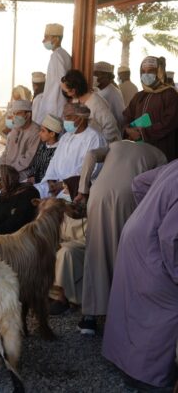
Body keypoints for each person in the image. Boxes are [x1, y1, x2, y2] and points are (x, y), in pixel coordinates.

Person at [53, 141, 167, 335]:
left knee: (95, 250)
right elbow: (158, 186)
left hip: (98, 194)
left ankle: (89, 318)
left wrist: (83, 190)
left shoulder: (116, 145)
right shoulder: (159, 154)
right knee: (125, 252)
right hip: (129, 196)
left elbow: (90, 155)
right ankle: (123, 314)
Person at [102, 159, 178, 390]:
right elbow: (170, 238)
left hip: (135, 233)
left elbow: (139, 183)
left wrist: (148, 214)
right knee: (169, 309)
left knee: (133, 302)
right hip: (154, 244)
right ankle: (149, 378)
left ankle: (123, 362)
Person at [34, 103, 107, 198]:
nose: (65, 121)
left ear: (81, 118)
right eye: (64, 117)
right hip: (55, 184)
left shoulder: (95, 138)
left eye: (68, 117)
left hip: (75, 188)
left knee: (53, 208)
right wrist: (50, 180)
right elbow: (54, 161)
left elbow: (93, 169)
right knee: (29, 194)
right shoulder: (65, 137)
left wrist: (65, 184)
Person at [123, 56, 178, 162]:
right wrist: (128, 129)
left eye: (151, 71)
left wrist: (142, 133)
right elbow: (127, 116)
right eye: (143, 72)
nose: (146, 75)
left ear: (160, 72)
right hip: (139, 151)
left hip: (162, 150)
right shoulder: (138, 96)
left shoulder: (170, 94)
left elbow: (169, 122)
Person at [61, 69, 121, 143]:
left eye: (66, 92)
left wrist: (100, 143)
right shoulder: (75, 100)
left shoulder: (96, 103)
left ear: (73, 91)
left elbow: (110, 125)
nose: (65, 94)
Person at [35, 23, 72, 126]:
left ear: (56, 39)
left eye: (46, 37)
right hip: (56, 104)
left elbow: (61, 82)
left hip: (55, 106)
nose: (43, 40)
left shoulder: (57, 56)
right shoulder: (63, 54)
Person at [0, 164, 39, 234]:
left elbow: (14, 225)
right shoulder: (0, 195)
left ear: (4, 181)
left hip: (18, 238)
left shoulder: (28, 193)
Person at [3, 100, 41, 181]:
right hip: (7, 169)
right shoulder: (15, 129)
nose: (15, 116)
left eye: (18, 113)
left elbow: (28, 160)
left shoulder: (36, 132)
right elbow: (5, 152)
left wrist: (9, 170)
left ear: (28, 115)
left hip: (23, 171)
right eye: (14, 113)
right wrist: (1, 167)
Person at [27, 114, 62, 184]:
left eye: (43, 131)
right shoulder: (42, 146)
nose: (39, 133)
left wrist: (36, 179)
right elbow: (35, 164)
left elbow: (51, 173)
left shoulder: (58, 151)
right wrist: (31, 176)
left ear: (52, 134)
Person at [93, 62, 126, 128]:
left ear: (106, 76)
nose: (94, 77)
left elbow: (121, 118)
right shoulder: (98, 90)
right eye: (93, 74)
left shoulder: (113, 93)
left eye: (97, 74)